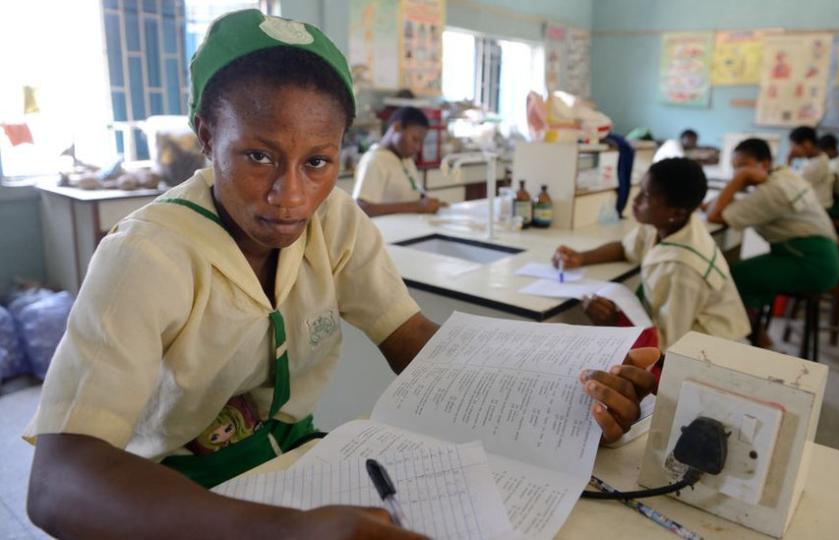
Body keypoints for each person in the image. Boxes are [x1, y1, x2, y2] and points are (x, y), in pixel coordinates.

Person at [23, 11, 652, 539]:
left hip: (299, 463)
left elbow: (417, 346)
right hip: (173, 499)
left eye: (318, 162)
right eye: (258, 155)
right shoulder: (150, 256)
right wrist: (284, 532)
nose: (289, 195)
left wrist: (564, 400)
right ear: (207, 136)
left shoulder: (336, 222)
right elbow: (57, 483)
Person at [553, 158, 750, 349]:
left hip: (711, 353)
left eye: (646, 196)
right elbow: (625, 248)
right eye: (640, 189)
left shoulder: (683, 269)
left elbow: (668, 347)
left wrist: (614, 321)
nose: (635, 200)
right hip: (678, 336)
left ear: (676, 212)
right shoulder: (666, 223)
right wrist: (581, 257)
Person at [707, 138, 839, 347]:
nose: (738, 172)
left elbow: (714, 215)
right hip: (817, 257)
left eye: (743, 166)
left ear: (765, 164)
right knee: (738, 274)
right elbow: (712, 207)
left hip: (810, 263)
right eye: (735, 168)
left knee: (729, 278)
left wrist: (739, 179)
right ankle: (760, 339)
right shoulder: (784, 176)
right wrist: (740, 179)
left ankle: (763, 345)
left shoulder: (772, 192)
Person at [352, 107, 444, 217]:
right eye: (414, 139)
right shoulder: (375, 160)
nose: (418, 147)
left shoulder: (405, 159)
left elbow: (412, 194)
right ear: (397, 127)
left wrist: (429, 203)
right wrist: (417, 207)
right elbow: (361, 207)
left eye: (421, 142)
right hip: (388, 233)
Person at [787, 126, 833, 208]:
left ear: (807, 144)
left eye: (794, 146)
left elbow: (790, 185)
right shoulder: (816, 158)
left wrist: (789, 160)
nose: (792, 150)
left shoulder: (816, 165)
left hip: (817, 208)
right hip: (812, 205)